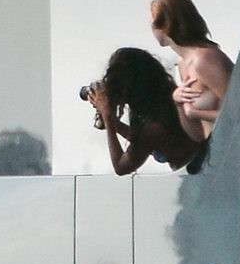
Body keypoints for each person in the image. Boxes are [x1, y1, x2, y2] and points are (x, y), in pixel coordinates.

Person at [86, 47, 202, 176]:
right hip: (197, 172)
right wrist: (115, 125)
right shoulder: (165, 101)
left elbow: (121, 167)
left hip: (195, 177)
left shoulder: (154, 125)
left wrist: (107, 116)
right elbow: (143, 143)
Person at [150, 0, 233, 144]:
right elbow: (197, 135)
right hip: (215, 151)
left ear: (164, 26)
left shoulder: (205, 60)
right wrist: (178, 102)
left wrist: (198, 113)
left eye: (153, 23)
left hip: (238, 148)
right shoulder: (182, 63)